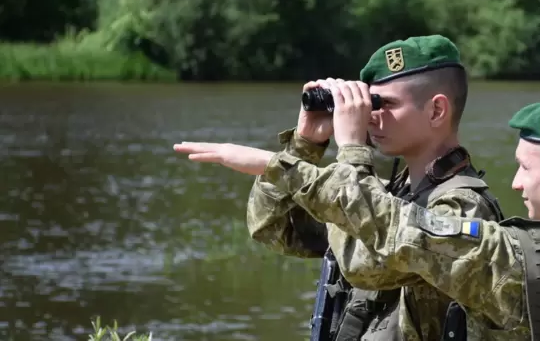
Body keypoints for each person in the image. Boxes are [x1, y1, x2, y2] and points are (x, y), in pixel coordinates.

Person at [180, 95, 540, 340]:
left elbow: (403, 232)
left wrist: (283, 164)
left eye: (523, 169)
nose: (513, 184)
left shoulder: (515, 261)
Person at [174, 35, 505, 341]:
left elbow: (365, 267)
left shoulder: (463, 208)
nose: (370, 116)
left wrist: (348, 151)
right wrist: (305, 143)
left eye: (384, 104)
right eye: (368, 103)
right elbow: (272, 227)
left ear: (436, 110)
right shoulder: (387, 196)